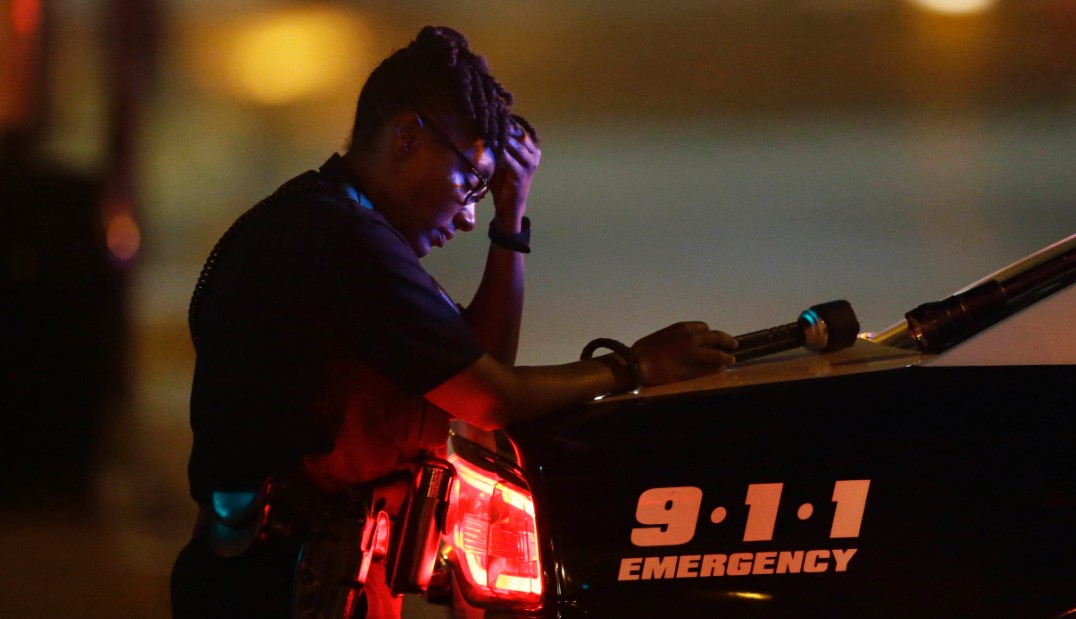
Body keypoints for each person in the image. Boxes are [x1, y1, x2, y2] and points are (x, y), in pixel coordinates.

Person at [171, 25, 737, 619]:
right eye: (469, 184)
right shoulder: (339, 241)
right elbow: (491, 398)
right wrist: (636, 366)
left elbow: (474, 360)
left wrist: (510, 216)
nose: (469, 216)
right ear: (408, 137)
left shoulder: (332, 225)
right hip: (273, 590)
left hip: (290, 581)